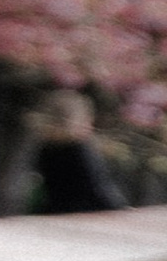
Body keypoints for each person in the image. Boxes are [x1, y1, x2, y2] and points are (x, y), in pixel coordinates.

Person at [31, 84, 129, 212]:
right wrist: (119, 208)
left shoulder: (46, 148)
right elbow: (98, 188)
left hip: (55, 209)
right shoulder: (80, 151)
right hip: (85, 211)